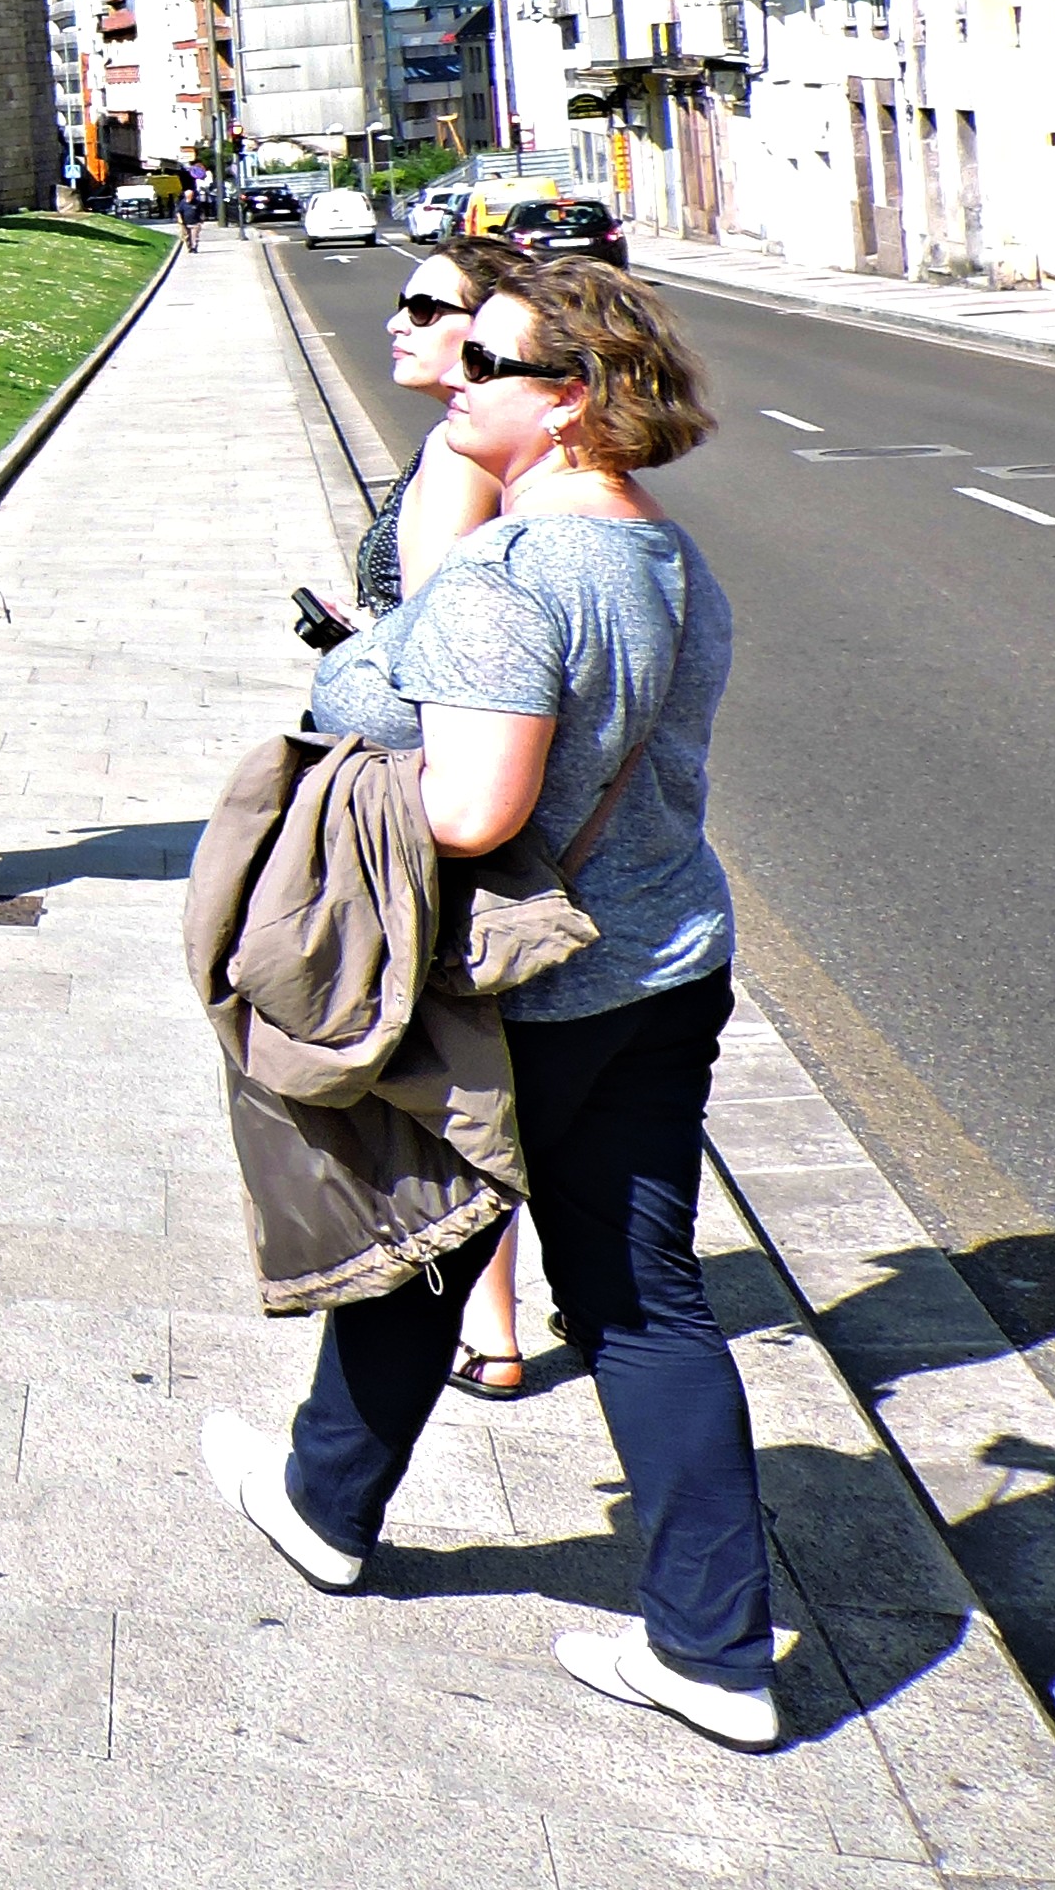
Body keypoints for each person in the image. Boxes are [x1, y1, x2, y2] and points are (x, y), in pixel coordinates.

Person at [205, 259, 772, 1750]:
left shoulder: (521, 586)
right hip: (665, 961)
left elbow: (473, 811)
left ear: (571, 398)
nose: (456, 374)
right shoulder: (661, 557)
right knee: (644, 1296)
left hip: (538, 980)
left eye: (490, 363)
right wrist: (460, 466)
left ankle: (327, 1504)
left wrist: (353, 748)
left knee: (428, 1247)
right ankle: (715, 1649)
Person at [366, 243, 531, 1400]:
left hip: (445, 786)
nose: (399, 319)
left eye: (427, 306)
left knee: (461, 1063)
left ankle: (490, 1321)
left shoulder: (470, 465)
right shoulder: (448, 447)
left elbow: (448, 632)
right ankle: (496, 1307)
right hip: (430, 768)